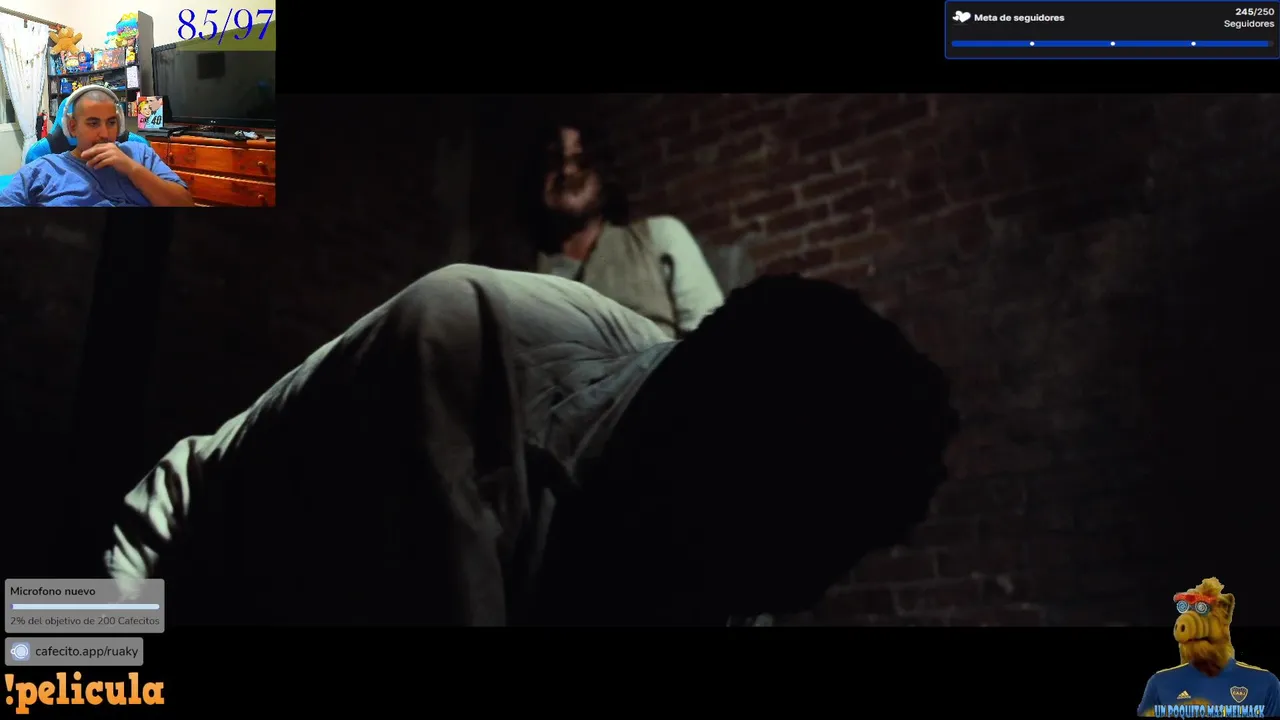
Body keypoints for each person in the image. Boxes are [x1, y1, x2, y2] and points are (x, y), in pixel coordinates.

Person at [103, 264, 958, 626]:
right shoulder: (461, 352)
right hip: (151, 581)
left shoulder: (718, 476)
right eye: (794, 558)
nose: (796, 601)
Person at [528, 122, 724, 339]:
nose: (567, 171)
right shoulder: (525, 276)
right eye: (554, 162)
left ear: (602, 171)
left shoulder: (660, 237)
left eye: (581, 160)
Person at [0, 87, 193, 207]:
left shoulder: (140, 153)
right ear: (72, 127)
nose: (105, 134)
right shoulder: (43, 169)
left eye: (111, 122)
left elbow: (185, 204)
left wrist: (132, 168)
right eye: (93, 123)